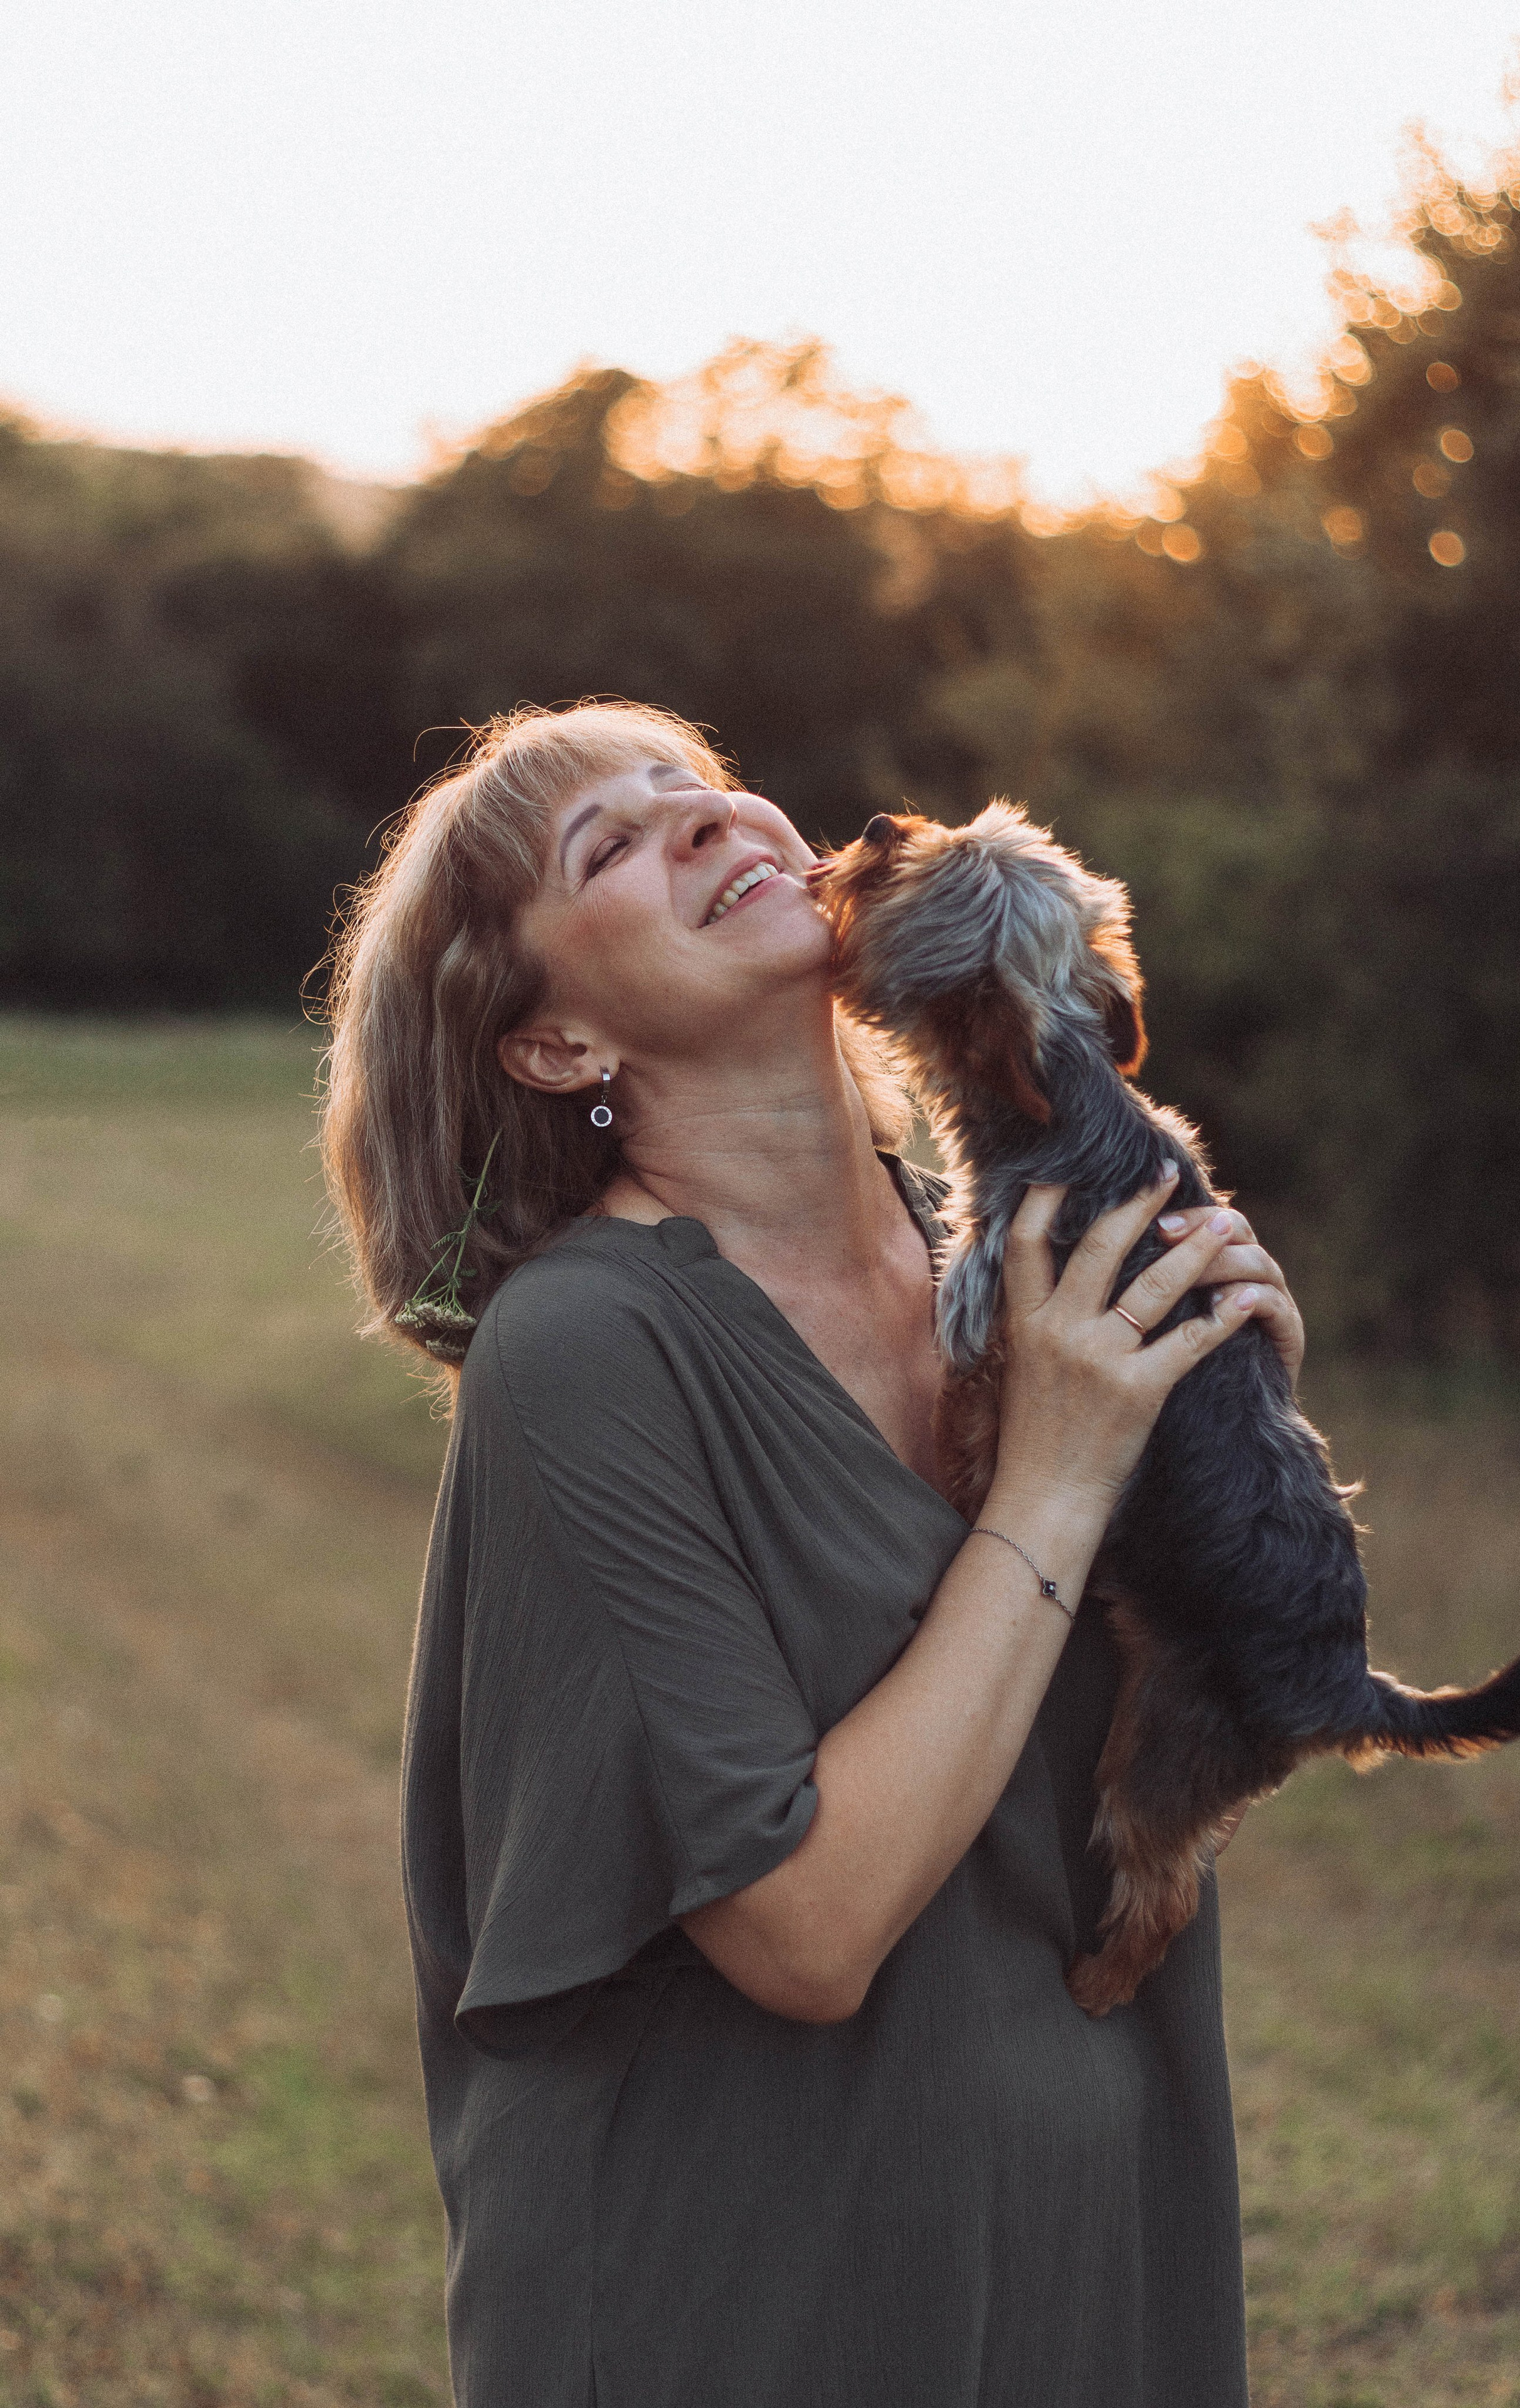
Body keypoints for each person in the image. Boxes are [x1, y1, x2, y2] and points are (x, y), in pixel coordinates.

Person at [321, 700, 1306, 2408]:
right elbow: (805, 1931)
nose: (707, 823)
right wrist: (1060, 1482)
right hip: (752, 2285)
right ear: (553, 1046)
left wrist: (1239, 1435)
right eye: (610, 846)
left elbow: (1147, 1766)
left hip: (1092, 2235)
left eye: (700, 791)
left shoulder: (1026, 1275)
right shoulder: (587, 1353)